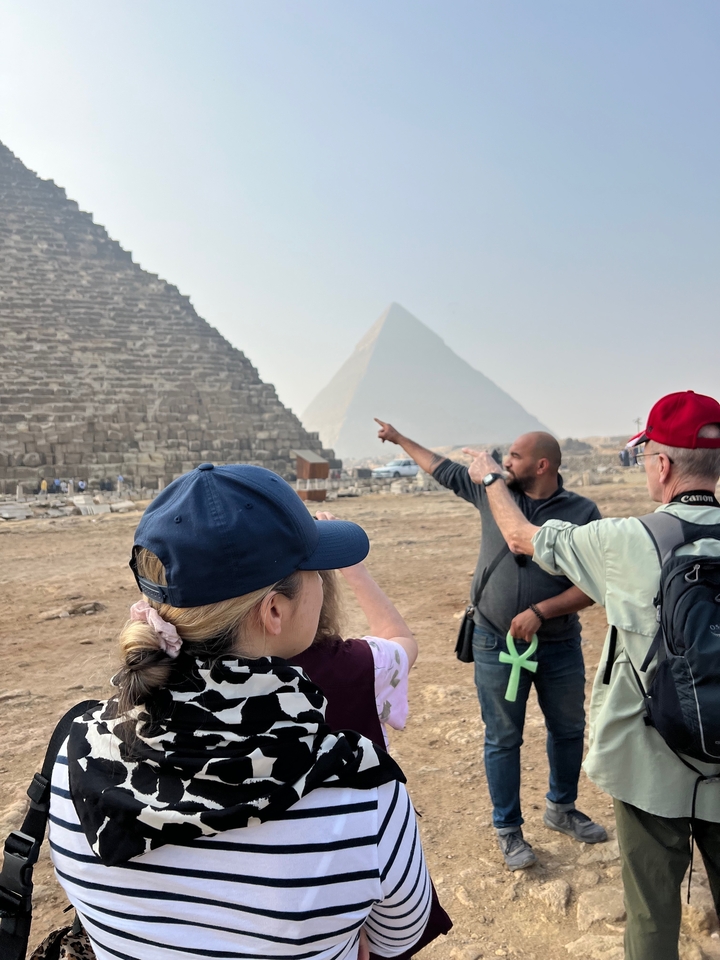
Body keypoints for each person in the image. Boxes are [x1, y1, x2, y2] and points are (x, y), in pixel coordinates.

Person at [49, 463, 434, 960]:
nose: (322, 583)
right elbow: (395, 937)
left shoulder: (71, 757)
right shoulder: (360, 792)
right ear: (274, 611)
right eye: (315, 571)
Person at [467, 390, 720, 960]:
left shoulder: (629, 539)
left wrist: (489, 479)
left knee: (652, 920)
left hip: (653, 766)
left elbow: (519, 537)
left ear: (661, 465)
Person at [375, 419, 607, 871]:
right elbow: (440, 468)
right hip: (494, 640)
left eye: (515, 457)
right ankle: (508, 829)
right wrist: (401, 438)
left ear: (542, 465)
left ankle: (562, 808)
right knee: (503, 737)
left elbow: (595, 584)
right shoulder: (492, 489)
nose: (505, 463)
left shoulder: (582, 512)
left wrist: (543, 612)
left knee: (568, 729)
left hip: (557, 643)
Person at [291, 513, 452, 958]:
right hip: (348, 889)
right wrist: (354, 571)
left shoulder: (169, 683)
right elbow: (402, 639)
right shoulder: (355, 665)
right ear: (278, 606)